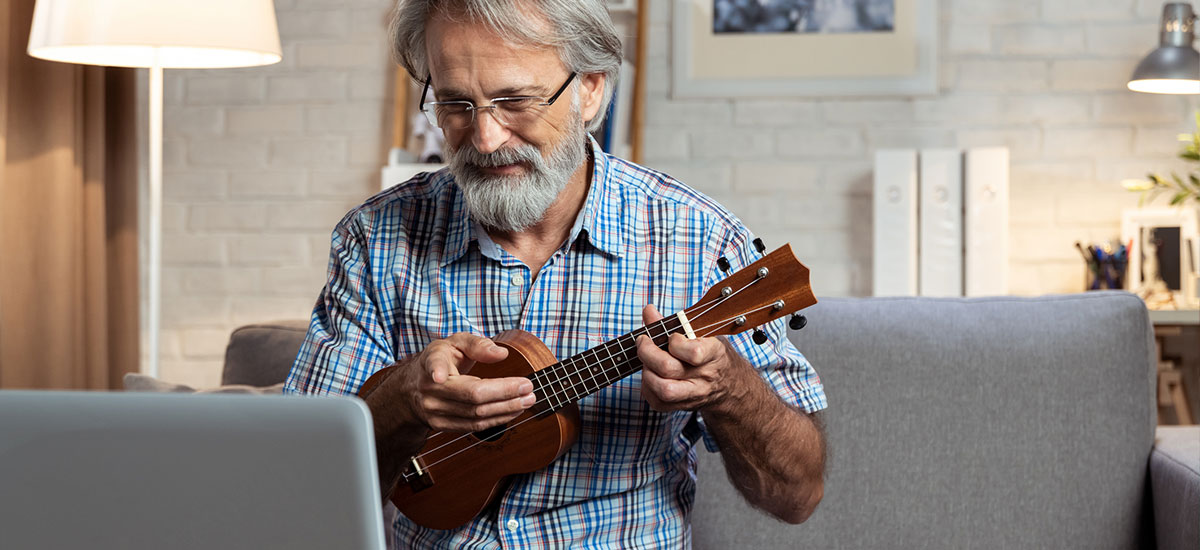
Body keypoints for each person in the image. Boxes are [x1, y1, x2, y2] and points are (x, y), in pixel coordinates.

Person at [284, 0, 827, 546]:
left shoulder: (700, 241)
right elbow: (295, 486)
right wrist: (404, 399)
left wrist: (731, 391)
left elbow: (797, 495)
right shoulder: (375, 238)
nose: (485, 138)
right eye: (455, 104)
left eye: (514, 100)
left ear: (590, 89)